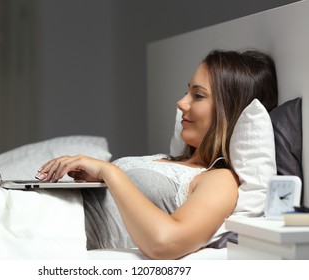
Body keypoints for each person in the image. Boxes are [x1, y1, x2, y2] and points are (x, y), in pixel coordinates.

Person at [35, 49, 278, 260]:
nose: (181, 103)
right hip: (42, 218)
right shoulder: (165, 159)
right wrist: (97, 184)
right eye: (187, 91)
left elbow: (165, 242)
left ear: (229, 110)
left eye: (198, 95)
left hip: (55, 235)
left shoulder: (220, 180)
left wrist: (109, 172)